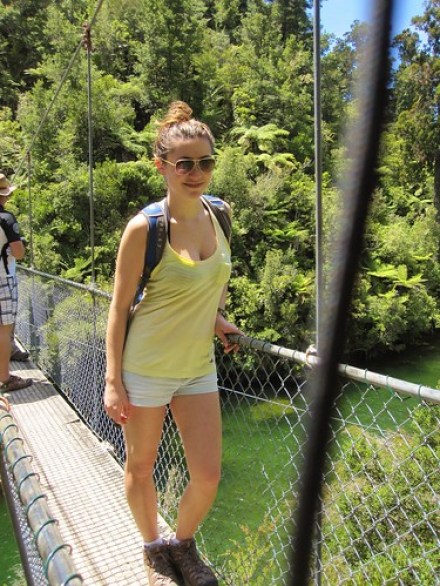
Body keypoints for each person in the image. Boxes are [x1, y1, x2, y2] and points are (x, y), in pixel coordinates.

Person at [104, 101, 242, 586]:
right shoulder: (145, 228)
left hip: (197, 366)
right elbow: (119, 310)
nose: (197, 172)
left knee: (207, 475)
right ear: (161, 166)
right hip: (144, 368)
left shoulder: (221, 214)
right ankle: (152, 547)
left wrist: (218, 319)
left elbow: (206, 287)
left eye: (206, 162)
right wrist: (113, 381)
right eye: (184, 163)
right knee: (141, 466)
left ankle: (182, 544)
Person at [0, 173, 32, 392]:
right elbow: (19, 253)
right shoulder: (7, 219)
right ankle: (4, 377)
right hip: (3, 279)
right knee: (4, 329)